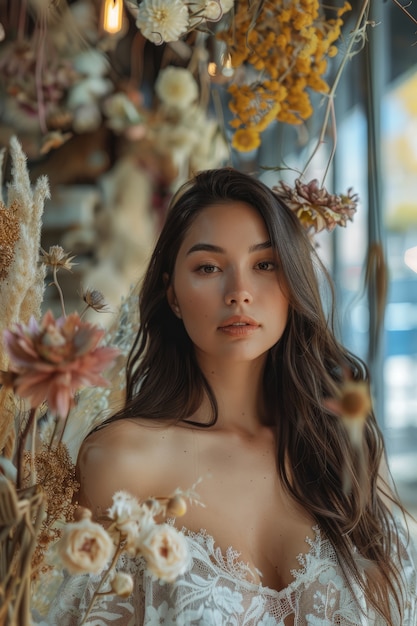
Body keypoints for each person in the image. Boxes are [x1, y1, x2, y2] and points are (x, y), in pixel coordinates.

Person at [56, 168, 416, 624]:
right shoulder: (124, 460)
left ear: (293, 283)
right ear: (172, 294)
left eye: (265, 265)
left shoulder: (346, 445)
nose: (239, 293)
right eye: (208, 268)